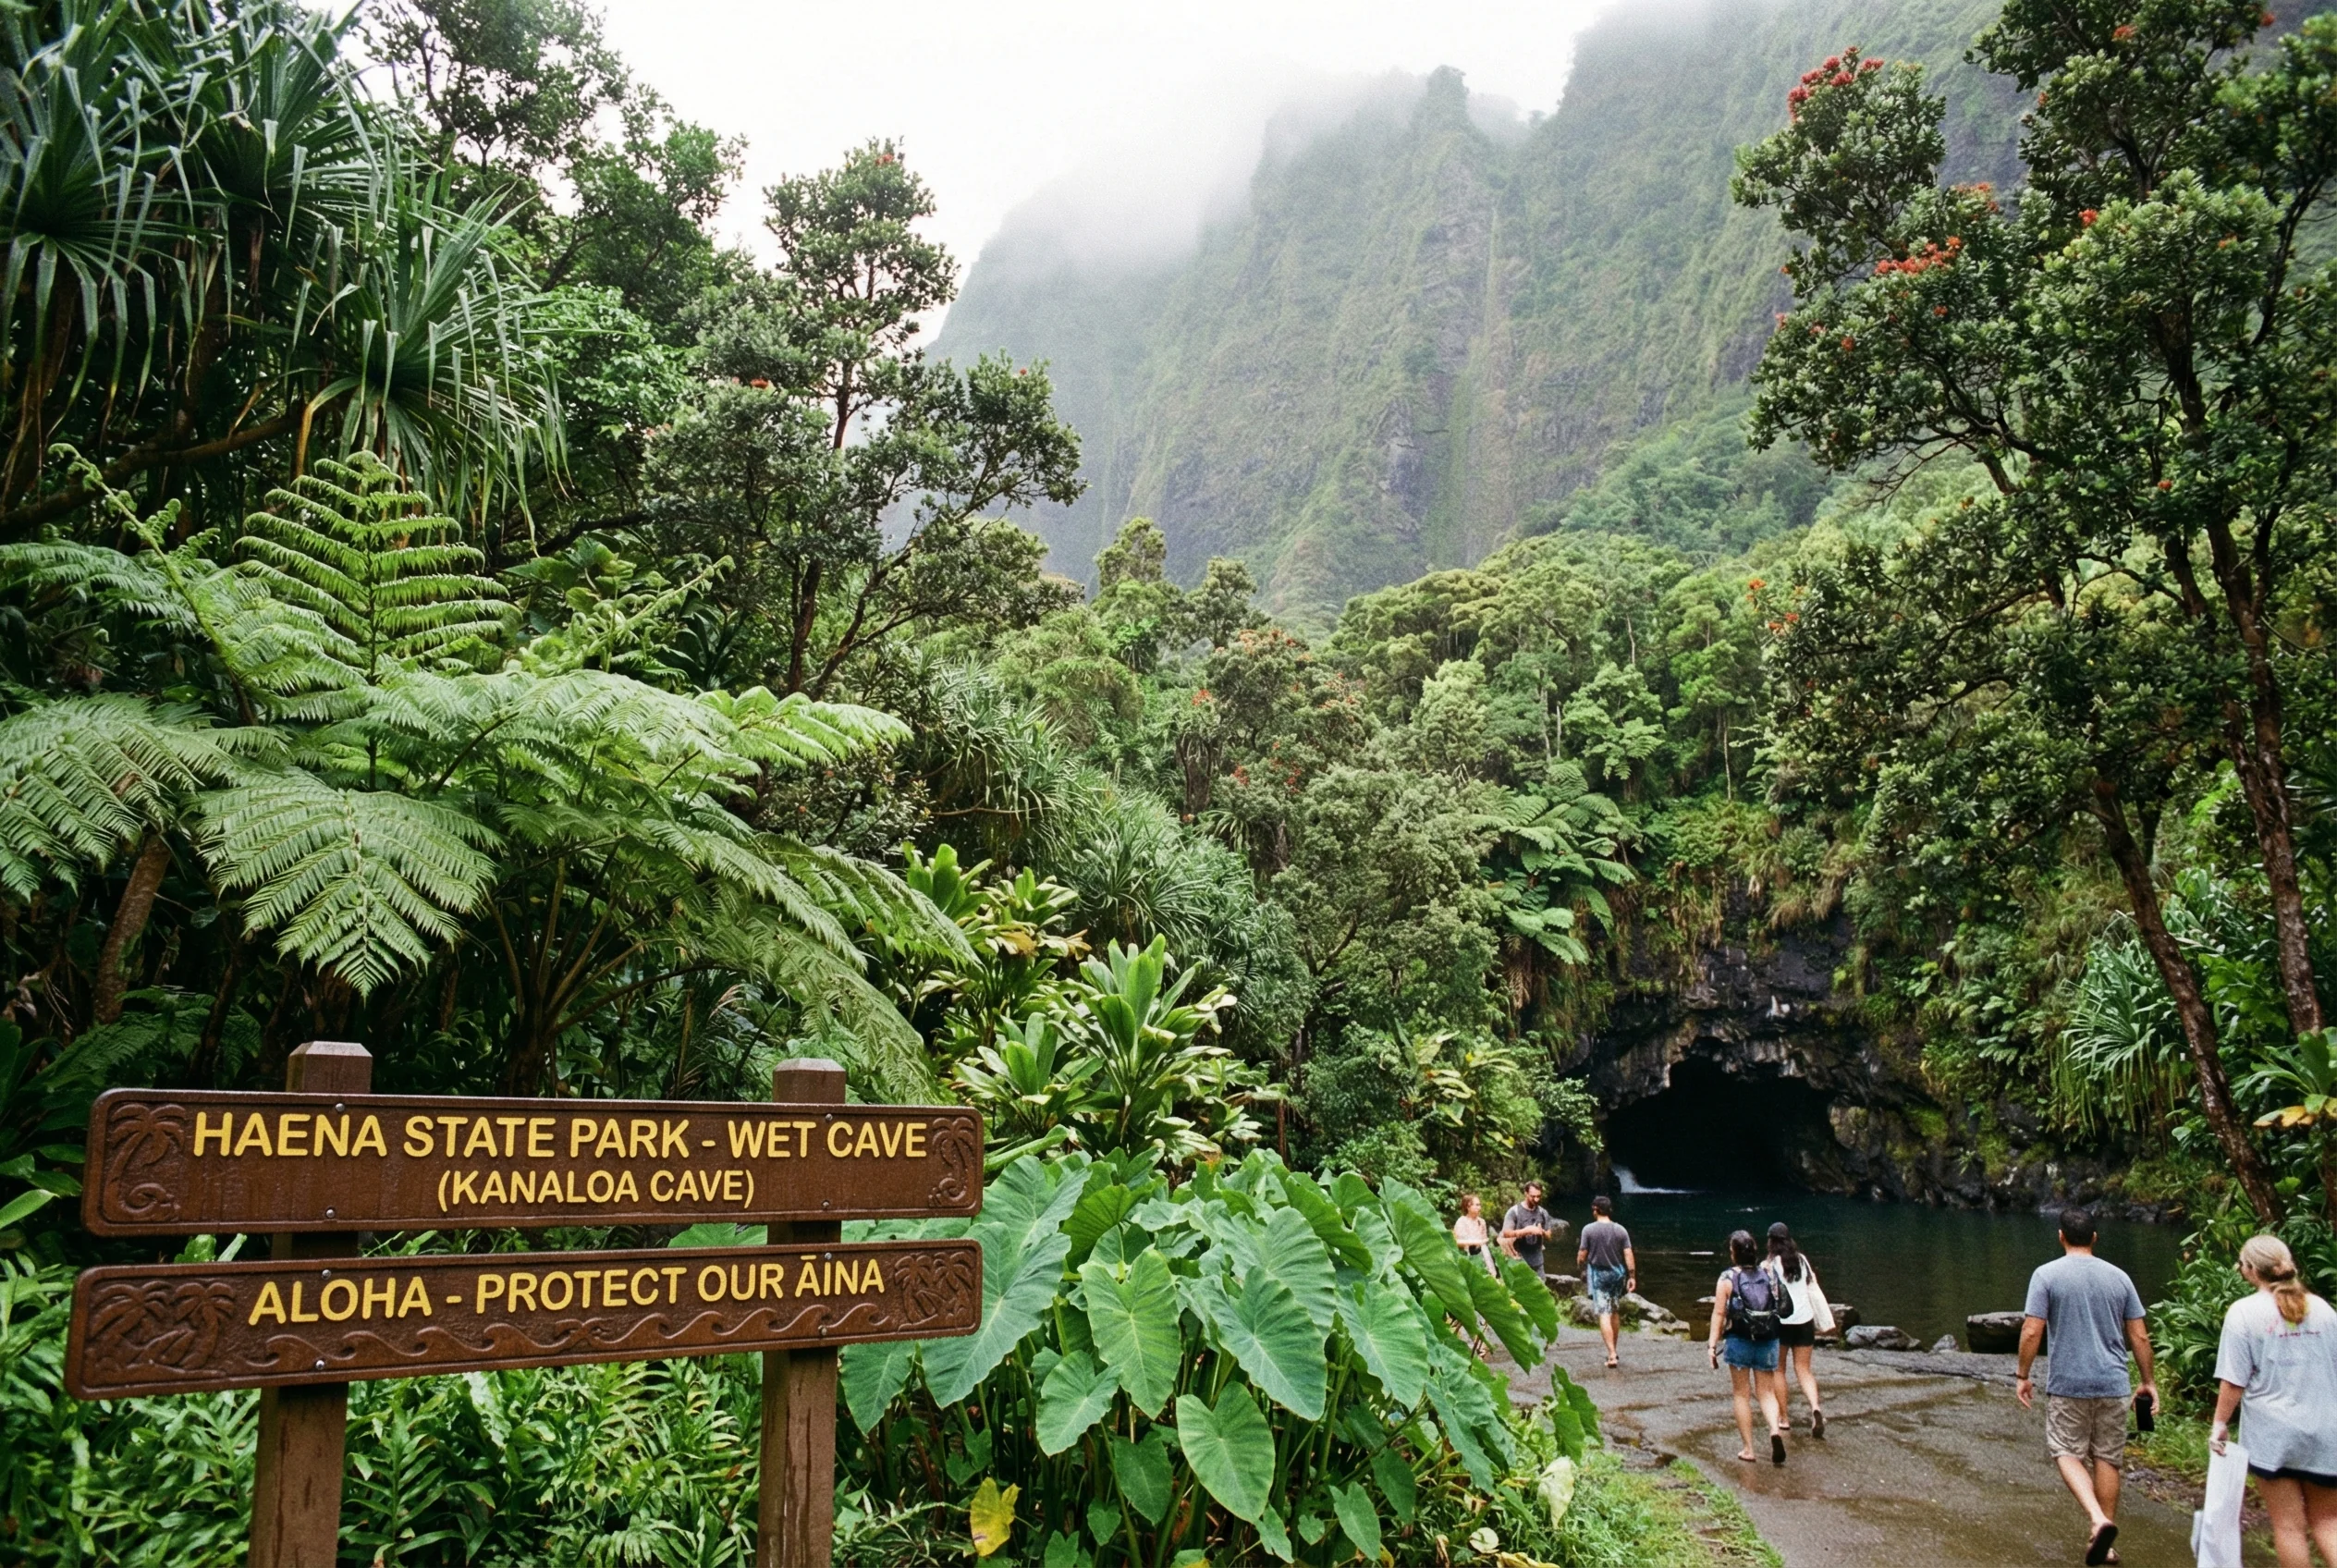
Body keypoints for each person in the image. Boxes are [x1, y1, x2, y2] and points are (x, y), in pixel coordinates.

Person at [2016, 1207, 2156, 1568]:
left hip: (2070, 1383)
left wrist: (2023, 1375)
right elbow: (2139, 1336)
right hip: (2113, 1383)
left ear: (2061, 1236)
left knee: (2065, 1450)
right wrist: (2148, 1382)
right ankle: (2104, 1545)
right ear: (2094, 1237)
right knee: (2107, 1458)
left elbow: (2032, 1330)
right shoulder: (2120, 1278)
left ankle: (2097, 1519)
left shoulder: (2046, 1275)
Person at [2209, 1234, 2337, 1568]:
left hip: (2273, 1435)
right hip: (2326, 1431)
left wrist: (2220, 1424)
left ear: (2252, 1270)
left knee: (2288, 1526)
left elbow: (2233, 1381)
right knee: (2328, 1522)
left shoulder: (2243, 1313)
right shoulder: (2323, 1310)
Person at [1708, 1229, 1789, 1465]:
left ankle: (1749, 1449)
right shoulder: (1769, 1274)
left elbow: (1719, 1314)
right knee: (1766, 1392)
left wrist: (1712, 1345)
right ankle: (1774, 1429)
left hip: (1739, 1341)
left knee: (1741, 1394)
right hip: (1768, 1340)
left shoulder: (1727, 1278)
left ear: (1733, 1253)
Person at [1764, 1220, 1828, 1439]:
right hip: (1805, 1322)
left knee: (1779, 1370)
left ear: (1771, 1242)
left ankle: (1784, 1418)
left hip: (1781, 1324)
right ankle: (1815, 1408)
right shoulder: (1802, 1260)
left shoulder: (1769, 1265)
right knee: (1804, 1370)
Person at [1576, 1195, 1636, 1369]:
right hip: (1617, 1274)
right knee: (1614, 1311)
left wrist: (1581, 1269)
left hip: (1599, 1275)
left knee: (1604, 1313)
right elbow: (1628, 1254)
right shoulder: (1620, 1230)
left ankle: (1611, 1355)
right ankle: (1613, 1350)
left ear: (1595, 1209)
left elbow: (1582, 1255)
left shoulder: (1588, 1230)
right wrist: (1632, 1276)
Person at [1500, 1181, 1564, 1278]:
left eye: (1538, 1196)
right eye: (1533, 1196)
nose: (1536, 1199)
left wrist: (1542, 1232)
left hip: (1538, 1263)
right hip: (1518, 1262)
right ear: (1526, 1194)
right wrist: (1526, 1231)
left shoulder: (1543, 1212)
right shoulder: (1514, 1211)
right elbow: (1506, 1233)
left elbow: (1549, 1236)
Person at [1451, 1194, 1499, 1277]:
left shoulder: (1481, 1221)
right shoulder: (1462, 1221)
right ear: (1468, 1206)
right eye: (1476, 1205)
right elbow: (1456, 1242)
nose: (1479, 1208)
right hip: (1467, 1255)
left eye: (1479, 1205)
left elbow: (1484, 1240)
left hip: (1482, 1254)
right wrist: (1475, 1242)